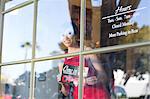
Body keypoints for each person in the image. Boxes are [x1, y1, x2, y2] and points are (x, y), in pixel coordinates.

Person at [57, 21, 110, 99]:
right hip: (79, 96)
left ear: (75, 34)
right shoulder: (62, 61)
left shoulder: (87, 51)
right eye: (62, 35)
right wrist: (62, 84)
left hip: (97, 95)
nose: (65, 38)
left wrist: (94, 80)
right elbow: (65, 92)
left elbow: (103, 76)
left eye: (69, 33)